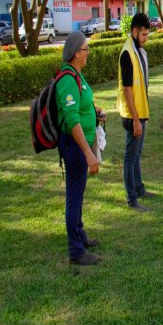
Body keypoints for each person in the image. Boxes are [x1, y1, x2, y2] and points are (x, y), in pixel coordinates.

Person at [56, 31, 105, 265]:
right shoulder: (67, 79)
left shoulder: (78, 76)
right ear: (77, 53)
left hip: (79, 145)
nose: (88, 53)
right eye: (86, 49)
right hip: (75, 147)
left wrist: (95, 115)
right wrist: (88, 153)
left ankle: (80, 235)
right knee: (74, 196)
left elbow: (82, 108)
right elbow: (71, 118)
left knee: (78, 193)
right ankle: (75, 251)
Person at [117, 12, 153, 212]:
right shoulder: (127, 53)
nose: (146, 39)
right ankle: (132, 199)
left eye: (148, 35)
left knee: (137, 153)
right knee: (130, 157)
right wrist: (136, 120)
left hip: (141, 113)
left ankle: (139, 189)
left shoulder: (138, 50)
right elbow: (127, 89)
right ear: (135, 31)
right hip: (132, 116)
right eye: (144, 35)